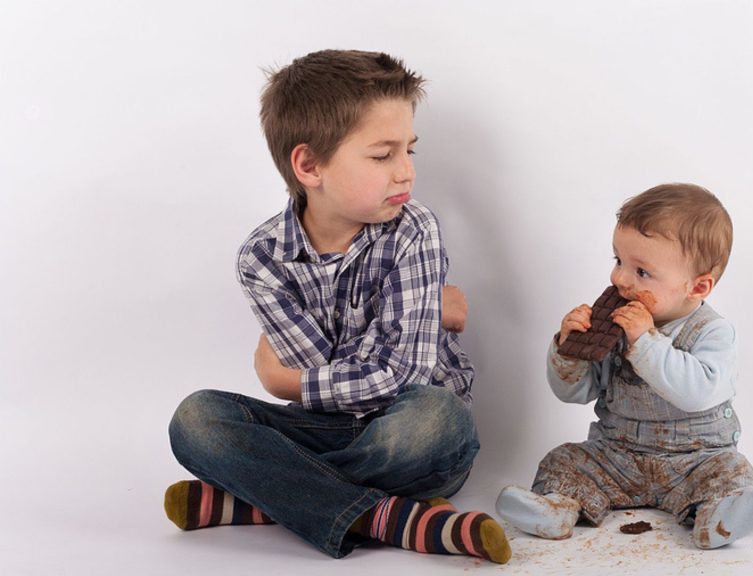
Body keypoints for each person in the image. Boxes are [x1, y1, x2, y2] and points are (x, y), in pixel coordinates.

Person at [164, 49, 510, 564]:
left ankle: (264, 498)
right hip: (323, 428)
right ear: (309, 164)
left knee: (437, 419)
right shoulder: (262, 258)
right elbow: (336, 371)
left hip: (405, 427)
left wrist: (289, 384)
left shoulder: (414, 229)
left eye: (409, 150)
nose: (406, 173)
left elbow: (402, 376)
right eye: (382, 155)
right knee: (196, 418)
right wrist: (427, 312)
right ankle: (387, 518)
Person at [496, 183, 753, 549]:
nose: (620, 279)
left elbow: (697, 393)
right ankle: (557, 508)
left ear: (698, 287)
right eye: (618, 261)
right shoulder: (616, 324)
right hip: (617, 455)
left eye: (642, 273)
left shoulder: (713, 333)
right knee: (563, 460)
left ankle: (717, 518)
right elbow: (576, 393)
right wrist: (568, 352)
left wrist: (645, 342)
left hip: (695, 460)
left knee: (734, 473)